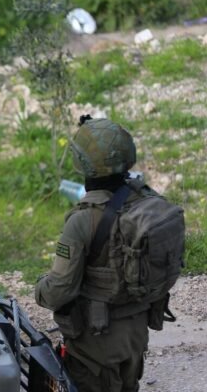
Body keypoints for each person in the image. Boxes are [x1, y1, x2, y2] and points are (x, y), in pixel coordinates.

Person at [35, 116, 158, 392]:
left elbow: (59, 291)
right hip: (135, 336)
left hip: (96, 346)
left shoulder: (83, 220)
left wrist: (40, 288)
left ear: (84, 165)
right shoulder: (146, 202)